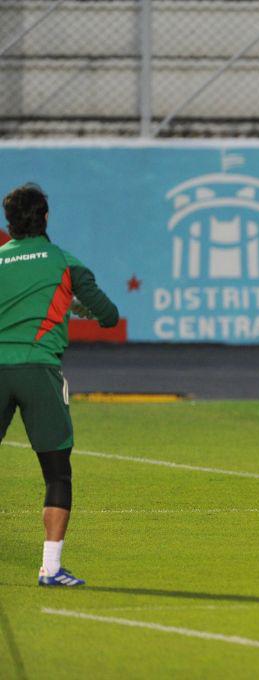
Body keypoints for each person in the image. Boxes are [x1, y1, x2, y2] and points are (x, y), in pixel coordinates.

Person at [0, 184, 119, 586]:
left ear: (9, 222)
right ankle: (50, 568)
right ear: (46, 217)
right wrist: (78, 305)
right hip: (38, 374)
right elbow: (108, 314)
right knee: (56, 473)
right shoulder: (65, 263)